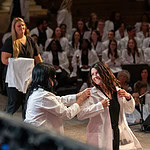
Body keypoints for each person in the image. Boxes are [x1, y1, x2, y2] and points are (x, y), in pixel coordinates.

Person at [77, 62, 143, 150]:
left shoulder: (117, 91)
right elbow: (80, 115)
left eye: (97, 73)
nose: (94, 76)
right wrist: (99, 106)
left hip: (117, 133)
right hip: (101, 136)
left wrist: (127, 97)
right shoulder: (91, 93)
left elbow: (130, 110)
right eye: (92, 74)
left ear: (105, 73)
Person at [24, 63, 90, 134]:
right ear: (48, 79)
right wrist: (80, 100)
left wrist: (77, 96)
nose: (55, 78)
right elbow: (67, 114)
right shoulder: (43, 96)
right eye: (53, 77)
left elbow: (58, 99)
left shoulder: (37, 91)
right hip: (41, 134)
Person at [1, 17, 42, 118]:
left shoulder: (30, 40)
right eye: (19, 26)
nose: (22, 27)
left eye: (23, 25)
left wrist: (42, 70)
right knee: (14, 103)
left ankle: (26, 125)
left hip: (28, 77)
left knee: (27, 103)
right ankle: (3, 123)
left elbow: (38, 58)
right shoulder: (10, 41)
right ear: (14, 28)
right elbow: (4, 59)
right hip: (14, 77)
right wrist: (20, 64)